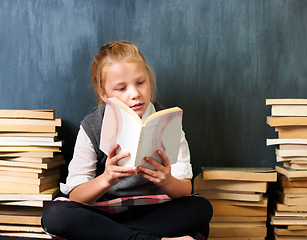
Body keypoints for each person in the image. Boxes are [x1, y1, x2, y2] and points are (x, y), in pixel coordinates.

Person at [41, 40, 213, 240]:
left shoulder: (167, 122)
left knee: (201, 209)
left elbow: (185, 187)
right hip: (104, 212)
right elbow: (77, 195)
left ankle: (117, 237)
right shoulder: (92, 126)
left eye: (140, 82)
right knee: (55, 216)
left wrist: (167, 182)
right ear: (104, 94)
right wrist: (105, 179)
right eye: (121, 88)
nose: (135, 94)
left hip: (153, 211)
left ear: (149, 79)